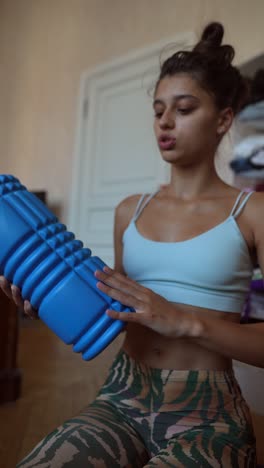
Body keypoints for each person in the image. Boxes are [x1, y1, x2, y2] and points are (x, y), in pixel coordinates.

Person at [1, 22, 262, 467]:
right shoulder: (130, 211)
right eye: (158, 108)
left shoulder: (252, 212)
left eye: (184, 108)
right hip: (122, 395)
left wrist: (183, 320)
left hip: (206, 410)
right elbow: (118, 312)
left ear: (222, 119)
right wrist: (47, 298)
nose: (164, 120)